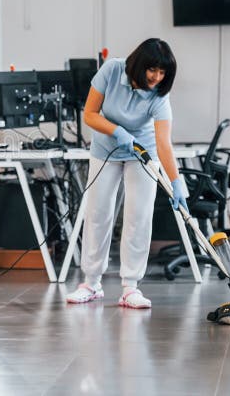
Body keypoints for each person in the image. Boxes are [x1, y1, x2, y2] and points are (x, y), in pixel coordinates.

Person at [66, 38, 187, 309]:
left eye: (163, 72)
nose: (157, 77)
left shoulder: (159, 96)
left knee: (138, 217)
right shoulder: (111, 70)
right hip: (105, 150)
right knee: (98, 214)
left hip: (142, 152)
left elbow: (163, 142)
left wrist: (176, 181)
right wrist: (117, 131)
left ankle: (130, 287)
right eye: (152, 69)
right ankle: (91, 283)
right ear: (139, 64)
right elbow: (90, 114)